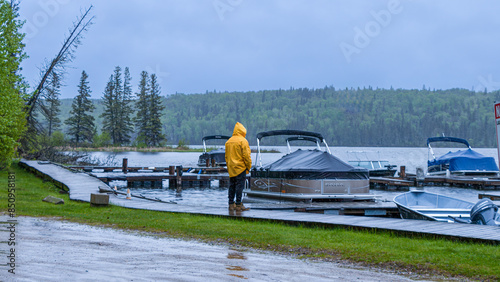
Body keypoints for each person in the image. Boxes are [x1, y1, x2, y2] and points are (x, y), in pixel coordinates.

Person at [225, 122, 252, 211]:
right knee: (239, 186)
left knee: (232, 186)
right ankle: (238, 205)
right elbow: (246, 156)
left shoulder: (228, 141)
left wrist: (229, 166)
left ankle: (230, 204)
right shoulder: (243, 141)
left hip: (231, 168)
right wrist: (248, 166)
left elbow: (226, 156)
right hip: (240, 167)